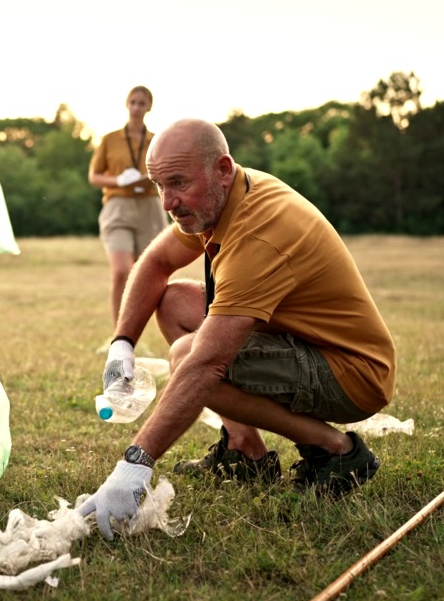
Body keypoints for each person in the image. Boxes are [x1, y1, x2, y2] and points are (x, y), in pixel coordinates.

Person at [79, 119, 396, 539]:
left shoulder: (260, 232)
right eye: (159, 185)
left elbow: (206, 365)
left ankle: (336, 452)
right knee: (174, 301)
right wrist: (122, 344)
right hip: (306, 342)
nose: (168, 202)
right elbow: (156, 263)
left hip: (352, 374)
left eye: (177, 182)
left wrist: (134, 465)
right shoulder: (226, 195)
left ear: (222, 169)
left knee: (188, 357)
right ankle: (244, 449)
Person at [87, 86, 170, 334]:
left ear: (149, 107)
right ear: (126, 104)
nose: (136, 107)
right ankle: (119, 337)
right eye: (133, 102)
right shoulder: (110, 140)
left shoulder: (158, 139)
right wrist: (118, 181)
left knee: (150, 275)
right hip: (118, 206)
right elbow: (94, 176)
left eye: (142, 103)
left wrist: (150, 177)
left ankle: (145, 332)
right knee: (122, 270)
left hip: (150, 207)